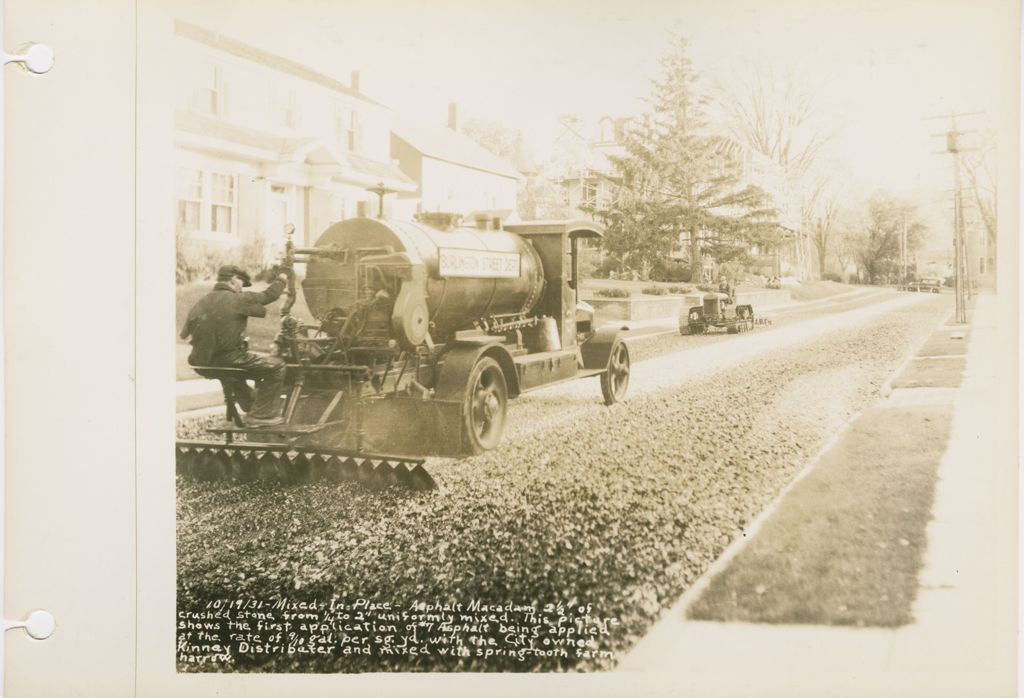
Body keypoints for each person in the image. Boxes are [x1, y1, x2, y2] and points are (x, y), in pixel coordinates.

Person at [180, 264, 289, 426]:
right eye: (242, 284)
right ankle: (262, 415)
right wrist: (282, 279)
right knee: (278, 367)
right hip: (229, 359)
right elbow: (269, 295)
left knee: (234, 374)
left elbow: (183, 334)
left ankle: (252, 405)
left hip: (201, 363)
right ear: (233, 280)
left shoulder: (200, 302)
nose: (242, 289)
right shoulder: (238, 299)